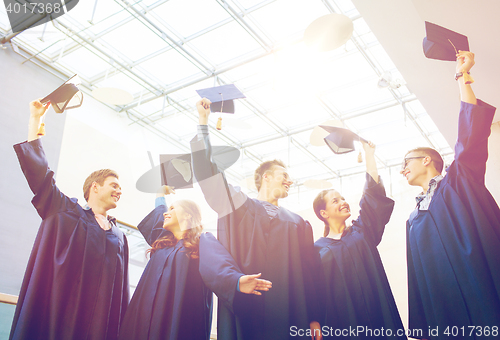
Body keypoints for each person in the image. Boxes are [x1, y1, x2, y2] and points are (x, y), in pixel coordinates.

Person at [191, 98, 323, 340]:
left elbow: (309, 273)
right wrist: (203, 123)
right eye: (284, 175)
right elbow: (207, 174)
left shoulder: (298, 224)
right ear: (266, 177)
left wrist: (314, 317)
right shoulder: (237, 204)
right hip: (246, 311)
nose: (290, 181)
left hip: (290, 314)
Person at [10, 99, 129, 340]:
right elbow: (40, 176)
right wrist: (36, 119)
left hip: (98, 329)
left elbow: (121, 294)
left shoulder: (119, 237)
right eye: (114, 185)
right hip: (58, 319)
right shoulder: (65, 211)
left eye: (120, 188)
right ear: (95, 187)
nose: (119, 191)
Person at [403, 51, 500, 339]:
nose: (402, 170)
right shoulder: (412, 220)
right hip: (448, 316)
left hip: (485, 291)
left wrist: (462, 77)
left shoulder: (459, 182)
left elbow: (469, 138)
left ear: (426, 160)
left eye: (406, 162)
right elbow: (418, 281)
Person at [313, 141, 405, 339]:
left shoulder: (362, 231)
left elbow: (373, 197)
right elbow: (312, 291)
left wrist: (369, 156)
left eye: (343, 198)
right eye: (335, 201)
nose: (343, 202)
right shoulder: (315, 250)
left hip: (379, 313)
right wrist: (314, 320)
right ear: (323, 213)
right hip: (345, 323)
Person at [118, 185, 213, 340]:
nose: (165, 213)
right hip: (145, 319)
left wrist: (237, 281)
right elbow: (159, 214)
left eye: (173, 209)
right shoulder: (163, 243)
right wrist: (159, 194)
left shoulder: (201, 245)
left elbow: (220, 270)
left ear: (188, 215)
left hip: (179, 319)